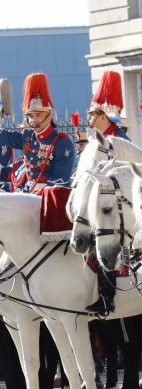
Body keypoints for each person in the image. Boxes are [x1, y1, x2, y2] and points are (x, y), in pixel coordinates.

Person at [0, 72, 75, 194]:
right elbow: (0, 135)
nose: (34, 119)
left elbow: (60, 181)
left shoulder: (62, 143)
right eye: (30, 115)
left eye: (38, 115)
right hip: (27, 193)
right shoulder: (27, 137)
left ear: (49, 116)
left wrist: (34, 194)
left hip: (50, 198)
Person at [84, 70, 130, 314]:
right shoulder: (103, 139)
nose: (89, 117)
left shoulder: (115, 140)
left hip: (118, 203)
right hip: (106, 198)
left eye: (92, 113)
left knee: (103, 240)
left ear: (103, 115)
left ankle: (107, 296)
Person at [88, 70, 129, 140]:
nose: (89, 119)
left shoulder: (117, 138)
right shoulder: (96, 136)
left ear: (103, 117)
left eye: (92, 115)